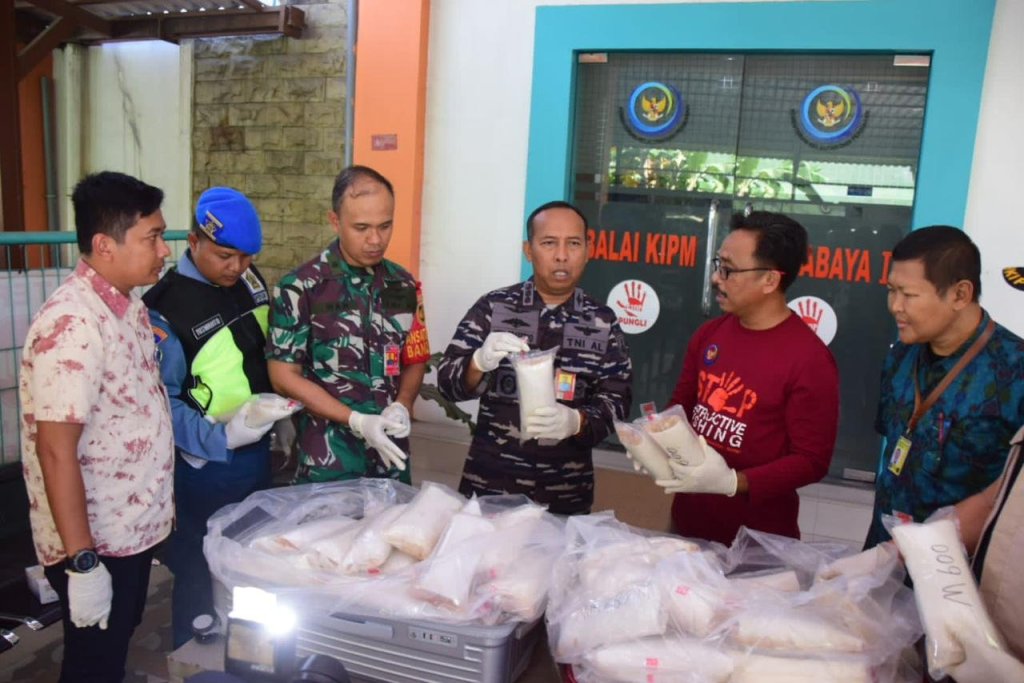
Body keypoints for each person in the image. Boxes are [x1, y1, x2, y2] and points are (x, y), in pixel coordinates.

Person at [19, 171, 175, 682]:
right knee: (93, 666)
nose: (164, 251)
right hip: (96, 543)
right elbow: (55, 450)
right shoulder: (73, 323)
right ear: (105, 245)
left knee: (113, 647)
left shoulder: (127, 304)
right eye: (153, 238)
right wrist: (83, 564)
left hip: (127, 531)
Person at [144, 187, 280, 648]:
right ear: (194, 241)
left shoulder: (249, 281)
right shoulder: (164, 308)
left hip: (259, 449)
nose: (237, 267)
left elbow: (261, 353)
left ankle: (254, 652)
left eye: (246, 257)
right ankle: (194, 653)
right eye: (225, 256)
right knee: (200, 563)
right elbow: (162, 401)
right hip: (204, 464)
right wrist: (220, 439)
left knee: (254, 554)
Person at [653, 211, 839, 545]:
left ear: (770, 280)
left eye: (728, 269)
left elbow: (811, 461)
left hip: (758, 541)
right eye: (718, 264)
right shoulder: (710, 334)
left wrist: (733, 482)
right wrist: (652, 441)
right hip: (688, 524)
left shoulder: (809, 360)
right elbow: (681, 406)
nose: (716, 278)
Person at [436, 200, 632, 515]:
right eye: (549, 243)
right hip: (490, 486)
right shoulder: (494, 307)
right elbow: (447, 384)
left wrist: (577, 421)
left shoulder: (602, 321)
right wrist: (478, 362)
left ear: (588, 250)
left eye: (573, 243)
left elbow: (618, 399)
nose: (562, 255)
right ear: (529, 250)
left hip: (564, 493)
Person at [267, 166, 430, 483]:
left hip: (390, 455)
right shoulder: (301, 288)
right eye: (361, 228)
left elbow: (415, 357)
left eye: (385, 226)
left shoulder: (403, 285)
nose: (375, 239)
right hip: (328, 459)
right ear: (335, 221)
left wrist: (402, 404)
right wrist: (355, 420)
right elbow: (283, 376)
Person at [864, 226, 1024, 548]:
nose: (895, 306)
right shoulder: (900, 357)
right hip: (883, 553)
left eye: (908, 295)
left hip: (960, 566)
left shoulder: (1014, 372)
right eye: (891, 291)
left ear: (960, 295)